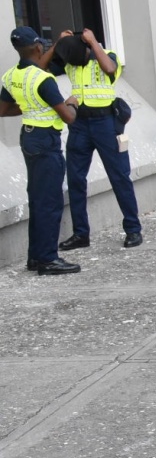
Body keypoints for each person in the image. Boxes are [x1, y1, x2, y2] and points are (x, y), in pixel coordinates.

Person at [48, 29, 143, 250]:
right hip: (79, 124)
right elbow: (43, 68)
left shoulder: (108, 55)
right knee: (76, 180)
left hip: (106, 123)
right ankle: (81, 234)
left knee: (119, 176)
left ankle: (133, 229)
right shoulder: (71, 59)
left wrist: (92, 42)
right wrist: (59, 45)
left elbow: (110, 69)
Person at [0, 27, 80, 275]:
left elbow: (3, 110)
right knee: (49, 201)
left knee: (37, 198)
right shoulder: (44, 80)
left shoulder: (10, 76)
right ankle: (47, 259)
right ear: (37, 47)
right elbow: (68, 118)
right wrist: (72, 103)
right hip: (46, 141)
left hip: (29, 137)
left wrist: (31, 110)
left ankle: (35, 257)